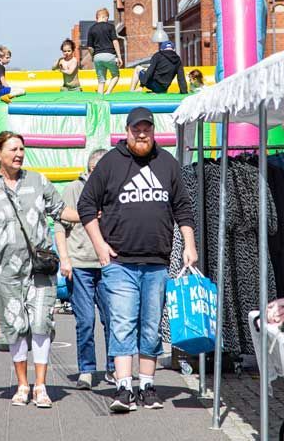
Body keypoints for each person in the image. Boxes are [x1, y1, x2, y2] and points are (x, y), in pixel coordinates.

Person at [78, 107, 197, 413]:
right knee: (121, 323)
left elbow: (183, 207)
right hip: (120, 263)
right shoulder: (110, 163)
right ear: (127, 131)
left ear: (154, 131)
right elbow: (86, 204)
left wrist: (189, 244)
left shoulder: (167, 162)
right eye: (136, 129)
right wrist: (100, 245)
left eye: (147, 129)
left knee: (151, 326)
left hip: (157, 262)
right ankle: (123, 387)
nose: (142, 134)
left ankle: (147, 386)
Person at [0, 131, 80, 408]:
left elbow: (60, 210)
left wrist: (90, 214)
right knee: (15, 326)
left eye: (22, 149)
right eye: (13, 149)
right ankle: (23, 384)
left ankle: (41, 386)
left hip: (39, 269)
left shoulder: (38, 181)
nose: (18, 154)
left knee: (40, 324)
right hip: (4, 272)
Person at [54, 149, 115, 389]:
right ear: (92, 170)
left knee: (113, 319)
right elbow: (60, 226)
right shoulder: (73, 189)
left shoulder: (113, 190)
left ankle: (113, 367)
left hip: (108, 264)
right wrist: (64, 258)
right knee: (86, 320)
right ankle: (87, 370)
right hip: (80, 264)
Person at [87, 8, 123, 95]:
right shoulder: (110, 27)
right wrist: (119, 57)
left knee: (101, 80)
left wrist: (93, 56)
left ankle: (100, 96)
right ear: (105, 17)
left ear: (97, 17)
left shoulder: (91, 29)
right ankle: (108, 92)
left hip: (97, 57)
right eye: (107, 18)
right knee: (115, 75)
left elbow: (90, 48)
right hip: (109, 55)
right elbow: (115, 41)